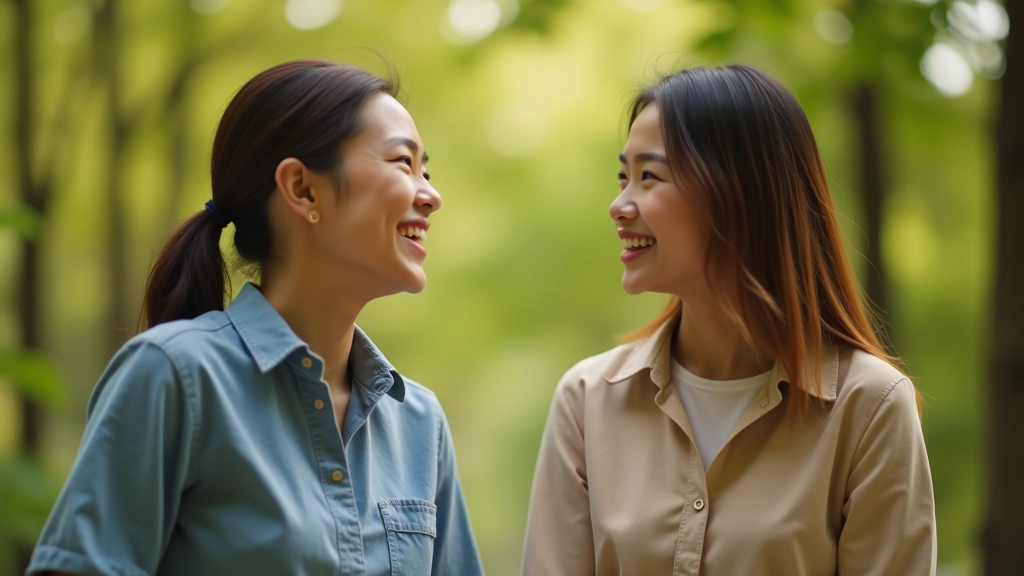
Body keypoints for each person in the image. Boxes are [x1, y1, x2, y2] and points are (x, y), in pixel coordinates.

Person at [28, 59, 483, 576]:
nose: (431, 194)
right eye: (403, 163)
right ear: (302, 188)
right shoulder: (174, 376)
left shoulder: (419, 423)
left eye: (427, 171)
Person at [523, 65, 936, 575]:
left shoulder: (869, 407)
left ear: (739, 193)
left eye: (649, 177)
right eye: (622, 177)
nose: (619, 205)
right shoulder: (587, 400)